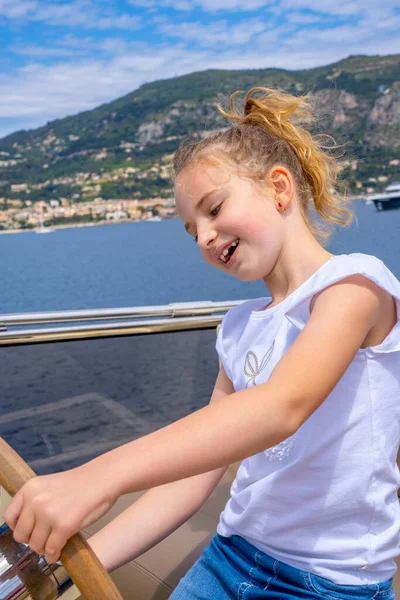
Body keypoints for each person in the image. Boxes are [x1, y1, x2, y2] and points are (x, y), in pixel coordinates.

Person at [4, 87, 400, 599]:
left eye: (214, 209)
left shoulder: (356, 286)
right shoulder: (237, 327)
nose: (206, 237)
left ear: (279, 188)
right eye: (193, 231)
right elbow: (192, 481)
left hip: (327, 581)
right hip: (231, 555)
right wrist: (52, 575)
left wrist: (99, 476)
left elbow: (283, 406)